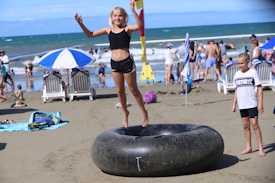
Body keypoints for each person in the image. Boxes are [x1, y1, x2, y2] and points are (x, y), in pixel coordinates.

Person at [75, 0, 148, 128]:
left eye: (120, 15)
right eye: (115, 15)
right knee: (120, 91)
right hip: (115, 64)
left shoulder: (127, 29)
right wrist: (81, 24)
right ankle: (125, 113)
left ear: (124, 17)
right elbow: (90, 35)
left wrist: (133, 10)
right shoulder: (108, 30)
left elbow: (139, 26)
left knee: (133, 90)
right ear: (111, 18)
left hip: (127, 63)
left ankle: (144, 113)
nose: (117, 17)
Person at [231, 53, 265, 157]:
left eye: (242, 63)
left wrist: (260, 104)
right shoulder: (237, 74)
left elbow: (259, 88)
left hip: (252, 103)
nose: (240, 65)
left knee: (254, 124)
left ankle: (260, 148)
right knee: (245, 126)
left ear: (247, 62)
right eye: (238, 63)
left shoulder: (253, 72)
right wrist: (234, 104)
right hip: (242, 105)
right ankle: (248, 147)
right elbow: (237, 90)